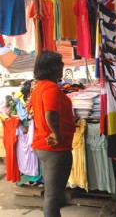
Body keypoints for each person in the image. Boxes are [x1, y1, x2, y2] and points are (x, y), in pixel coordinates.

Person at [29, 51, 75, 217]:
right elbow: (51, 113)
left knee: (52, 196)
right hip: (54, 148)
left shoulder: (39, 86)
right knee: (53, 197)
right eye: (60, 64)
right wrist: (56, 133)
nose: (62, 68)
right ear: (53, 68)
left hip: (44, 146)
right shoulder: (51, 87)